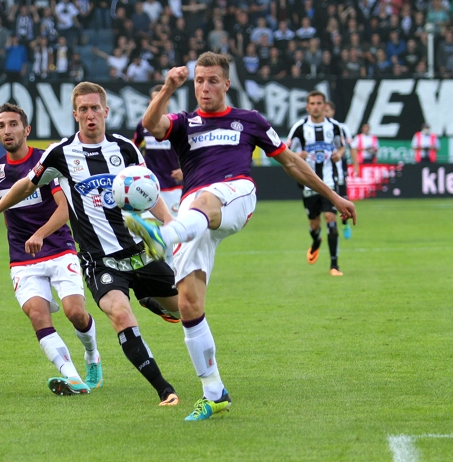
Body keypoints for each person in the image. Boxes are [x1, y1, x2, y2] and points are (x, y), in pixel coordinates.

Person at [123, 52, 356, 421]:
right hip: (193, 215)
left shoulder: (249, 121)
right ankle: (214, 392)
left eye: (212, 80)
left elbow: (292, 162)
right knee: (188, 305)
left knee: (203, 200)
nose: (204, 87)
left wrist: (333, 195)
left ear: (227, 84)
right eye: (199, 81)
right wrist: (169, 86)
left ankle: (162, 237)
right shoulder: (184, 123)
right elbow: (151, 124)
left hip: (235, 195)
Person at [0, 82, 182, 407]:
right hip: (99, 261)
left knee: (187, 310)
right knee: (119, 314)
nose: (90, 115)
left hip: (140, 252)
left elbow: (148, 191)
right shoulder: (59, 153)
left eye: (95, 108)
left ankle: (150, 297)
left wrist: (170, 223)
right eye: (83, 109)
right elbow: (24, 185)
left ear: (106, 111)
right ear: (75, 114)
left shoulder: (125, 149)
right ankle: (164, 389)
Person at [0, 103, 102, 396]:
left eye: (13, 124)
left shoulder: (45, 162)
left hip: (59, 248)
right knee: (37, 314)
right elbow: (4, 204)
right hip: (22, 259)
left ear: (27, 130)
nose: (7, 130)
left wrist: (40, 233)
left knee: (75, 312)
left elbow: (65, 210)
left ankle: (92, 356)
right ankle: (73, 377)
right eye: (1, 126)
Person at [287, 90, 348, 275]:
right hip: (309, 183)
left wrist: (339, 154)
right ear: (307, 107)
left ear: (324, 106)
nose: (315, 107)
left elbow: (342, 146)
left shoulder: (335, 127)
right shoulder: (299, 127)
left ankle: (334, 265)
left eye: (319, 103)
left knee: (330, 218)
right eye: (312, 103)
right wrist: (298, 155)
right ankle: (315, 240)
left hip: (330, 180)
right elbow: (285, 152)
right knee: (315, 224)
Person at [132, 84, 182, 219]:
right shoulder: (142, 125)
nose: (158, 103)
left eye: (162, 99)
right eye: (155, 100)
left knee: (174, 228)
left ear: (168, 100)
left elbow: (191, 151)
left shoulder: (177, 124)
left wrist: (184, 170)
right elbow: (133, 148)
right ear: (150, 102)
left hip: (173, 186)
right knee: (149, 228)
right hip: (149, 186)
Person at [324, 100, 358, 240]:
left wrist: (355, 165)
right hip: (321, 172)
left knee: (342, 197)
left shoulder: (341, 127)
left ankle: (344, 223)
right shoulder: (312, 128)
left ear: (333, 112)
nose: (325, 113)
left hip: (337, 169)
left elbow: (351, 146)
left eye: (327, 110)